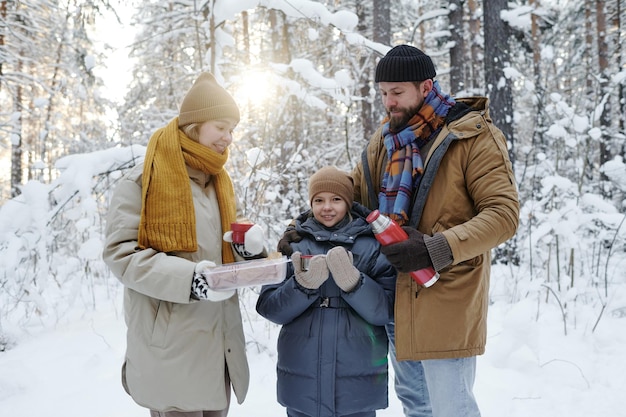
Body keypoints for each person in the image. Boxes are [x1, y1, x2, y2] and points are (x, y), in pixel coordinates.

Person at [279, 45, 520, 417]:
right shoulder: (385, 141)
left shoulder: (473, 137)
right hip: (393, 297)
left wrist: (436, 249)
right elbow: (351, 195)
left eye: (397, 92)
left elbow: (503, 215)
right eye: (383, 93)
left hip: (444, 296)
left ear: (426, 87)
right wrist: (302, 224)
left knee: (449, 407)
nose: (388, 102)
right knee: (417, 406)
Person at [103, 72, 265, 417]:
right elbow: (121, 255)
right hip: (172, 344)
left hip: (219, 344)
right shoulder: (142, 182)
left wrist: (248, 249)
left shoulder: (218, 183)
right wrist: (189, 279)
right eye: (221, 126)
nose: (229, 138)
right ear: (195, 124)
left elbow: (218, 251)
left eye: (232, 129)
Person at [257, 166, 397, 417]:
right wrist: (301, 287)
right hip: (303, 381)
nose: (327, 207)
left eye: (336, 199)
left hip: (357, 384)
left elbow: (386, 310)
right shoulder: (292, 244)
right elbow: (270, 307)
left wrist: (355, 283)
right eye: (319, 200)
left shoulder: (372, 245)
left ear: (348, 202)